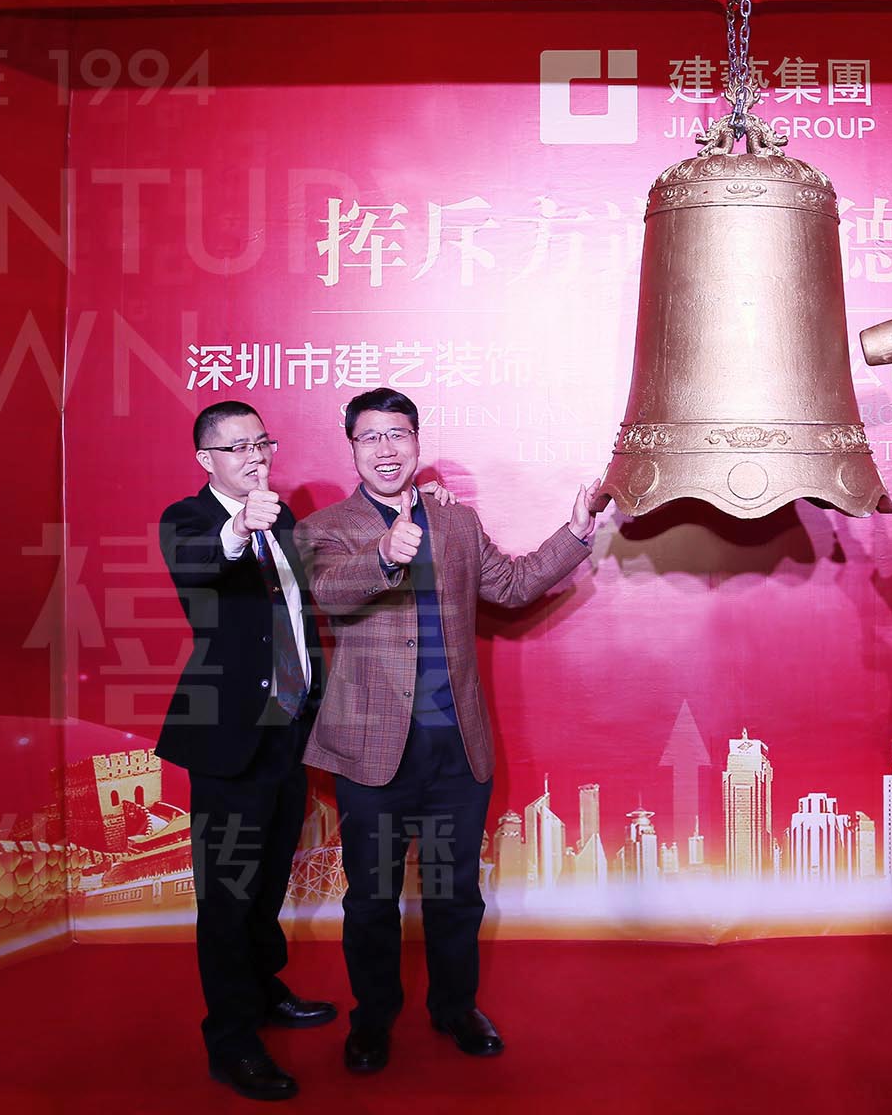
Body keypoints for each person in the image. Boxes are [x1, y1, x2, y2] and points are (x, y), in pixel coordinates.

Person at [296, 388, 604, 1075]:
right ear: (351, 447)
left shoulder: (456, 521)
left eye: (397, 434)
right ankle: (373, 1019)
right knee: (371, 901)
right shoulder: (325, 527)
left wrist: (577, 531)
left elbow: (514, 586)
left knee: (455, 894)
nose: (385, 449)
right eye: (370, 437)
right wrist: (385, 553)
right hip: (372, 752)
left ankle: (455, 1008)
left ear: (416, 441)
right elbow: (328, 591)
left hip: (456, 752)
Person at [156, 401, 337, 1102]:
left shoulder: (284, 519)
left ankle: (265, 993)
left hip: (288, 730)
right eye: (237, 447)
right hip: (229, 740)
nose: (255, 455)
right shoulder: (188, 520)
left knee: (266, 885)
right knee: (228, 896)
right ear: (206, 460)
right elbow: (202, 566)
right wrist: (238, 528)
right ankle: (231, 1043)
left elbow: (299, 614)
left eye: (262, 442)